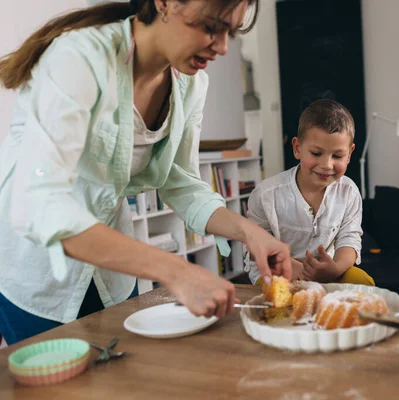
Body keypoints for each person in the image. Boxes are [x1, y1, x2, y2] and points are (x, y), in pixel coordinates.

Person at [0, 0, 291, 345]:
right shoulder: (79, 58)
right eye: (212, 27)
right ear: (164, 3)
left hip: (113, 275)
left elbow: (181, 181)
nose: (224, 47)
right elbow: (40, 203)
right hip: (39, 276)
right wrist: (175, 270)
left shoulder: (191, 85)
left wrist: (248, 231)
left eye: (231, 31)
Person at [244, 99, 373, 286]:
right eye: (316, 153)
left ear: (350, 154)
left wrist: (335, 269)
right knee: (280, 301)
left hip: (326, 270)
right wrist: (295, 269)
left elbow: (349, 238)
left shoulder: (349, 191)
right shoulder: (266, 194)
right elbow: (256, 246)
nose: (326, 165)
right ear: (297, 148)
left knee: (362, 282)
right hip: (278, 271)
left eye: (337, 156)